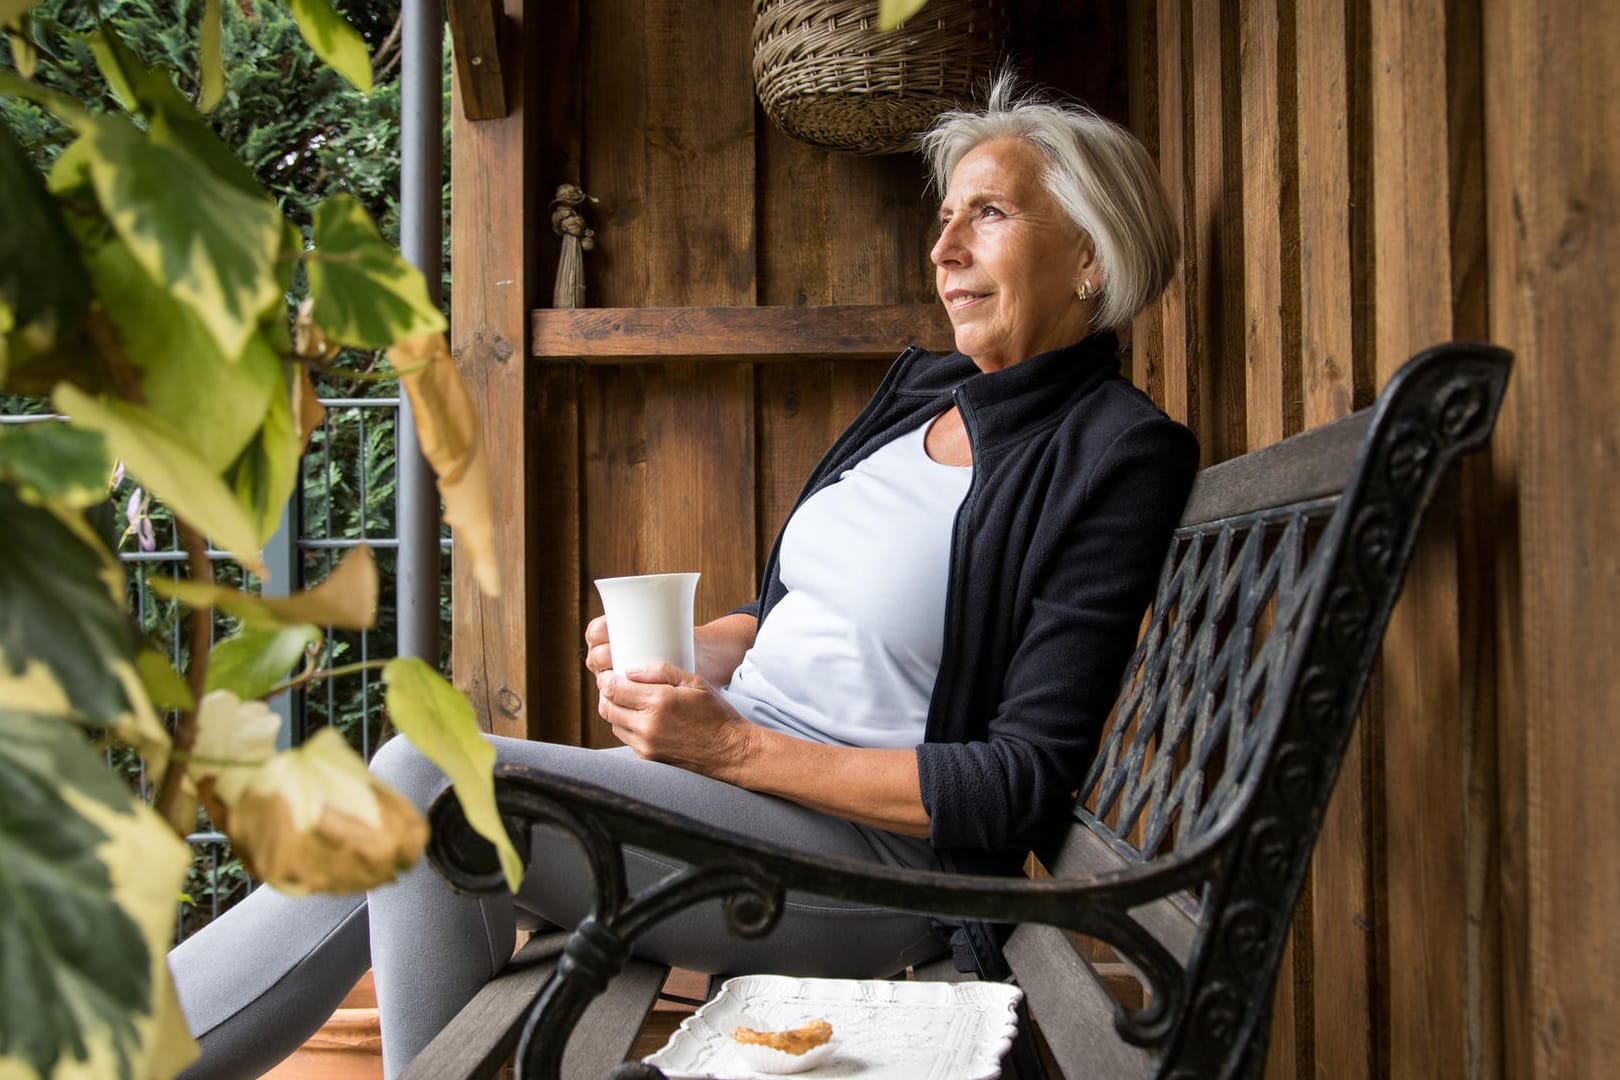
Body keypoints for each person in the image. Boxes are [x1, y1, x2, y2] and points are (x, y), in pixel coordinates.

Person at [168, 74, 1198, 1079]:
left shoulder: (1112, 453)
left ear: (1091, 262)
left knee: (428, 788)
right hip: (728, 801)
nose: (943, 248)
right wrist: (705, 650)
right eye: (944, 216)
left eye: (991, 212)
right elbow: (800, 610)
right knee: (412, 798)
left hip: (864, 868)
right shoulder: (921, 397)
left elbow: (1018, 785)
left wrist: (734, 748)